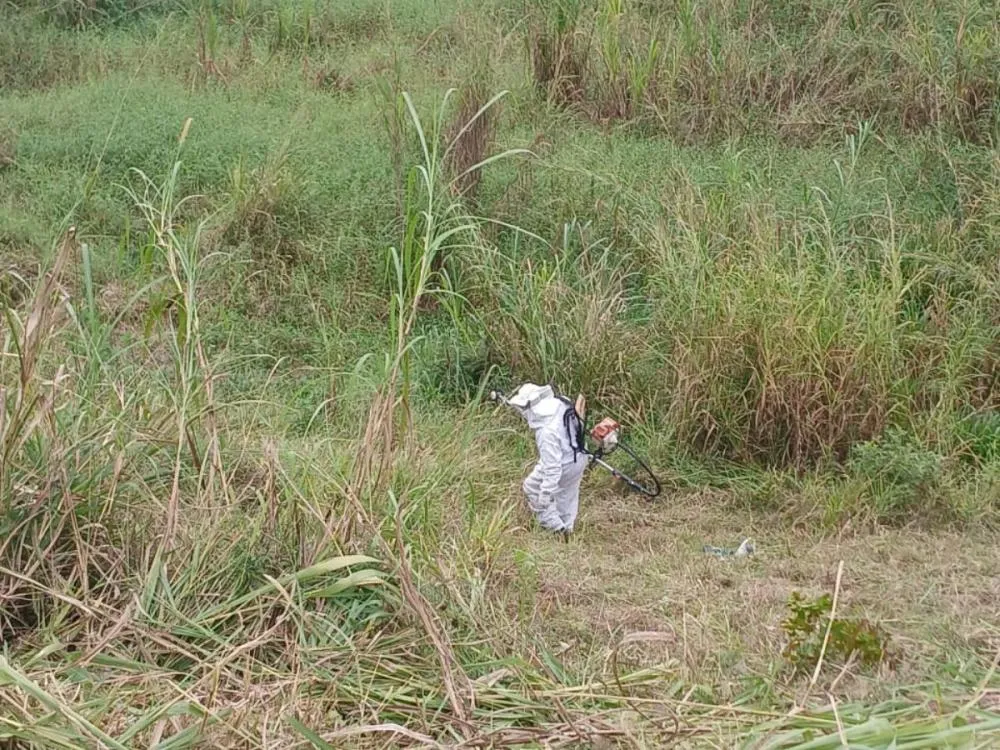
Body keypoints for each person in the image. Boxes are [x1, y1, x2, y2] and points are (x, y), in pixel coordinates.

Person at [506, 383, 588, 536]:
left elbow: (553, 468)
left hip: (564, 464)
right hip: (579, 457)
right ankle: (568, 529)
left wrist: (545, 494)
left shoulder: (546, 432)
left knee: (531, 487)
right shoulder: (561, 404)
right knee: (567, 496)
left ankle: (555, 528)